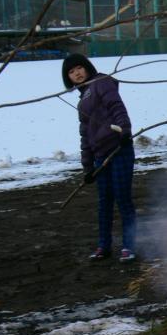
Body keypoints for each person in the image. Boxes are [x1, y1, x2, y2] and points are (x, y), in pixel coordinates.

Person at [62, 53, 136, 262]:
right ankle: (104, 246)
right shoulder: (82, 101)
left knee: (123, 198)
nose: (76, 73)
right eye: (71, 71)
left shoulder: (102, 82)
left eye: (79, 68)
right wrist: (88, 168)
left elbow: (116, 107)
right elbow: (85, 135)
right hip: (100, 157)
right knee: (104, 202)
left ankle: (129, 246)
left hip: (118, 149)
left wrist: (124, 131)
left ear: (86, 67)